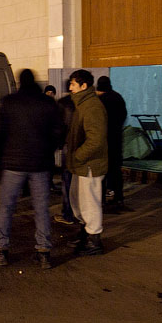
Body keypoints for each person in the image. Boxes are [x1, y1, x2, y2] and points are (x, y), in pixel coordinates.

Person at [0, 70, 64, 268]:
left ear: (19, 82)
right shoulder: (47, 103)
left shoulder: (10, 102)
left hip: (13, 164)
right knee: (41, 208)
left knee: (6, 207)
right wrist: (47, 152)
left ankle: (1, 250)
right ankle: (43, 252)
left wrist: (3, 154)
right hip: (40, 164)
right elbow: (58, 132)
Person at [65, 69, 108, 256]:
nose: (70, 88)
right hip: (81, 164)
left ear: (84, 86)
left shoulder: (92, 107)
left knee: (90, 202)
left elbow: (96, 140)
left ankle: (94, 240)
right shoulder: (82, 104)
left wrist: (78, 156)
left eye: (73, 84)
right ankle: (85, 233)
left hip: (90, 164)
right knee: (78, 200)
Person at [96, 76, 127, 210]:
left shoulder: (99, 100)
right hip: (116, 139)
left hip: (103, 140)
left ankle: (101, 199)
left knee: (102, 171)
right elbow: (123, 116)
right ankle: (118, 197)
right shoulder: (118, 97)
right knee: (116, 170)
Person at [53, 90, 77, 226]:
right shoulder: (84, 103)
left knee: (67, 181)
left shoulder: (64, 103)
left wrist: (59, 144)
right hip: (79, 147)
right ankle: (77, 214)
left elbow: (59, 126)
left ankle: (68, 214)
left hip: (68, 146)